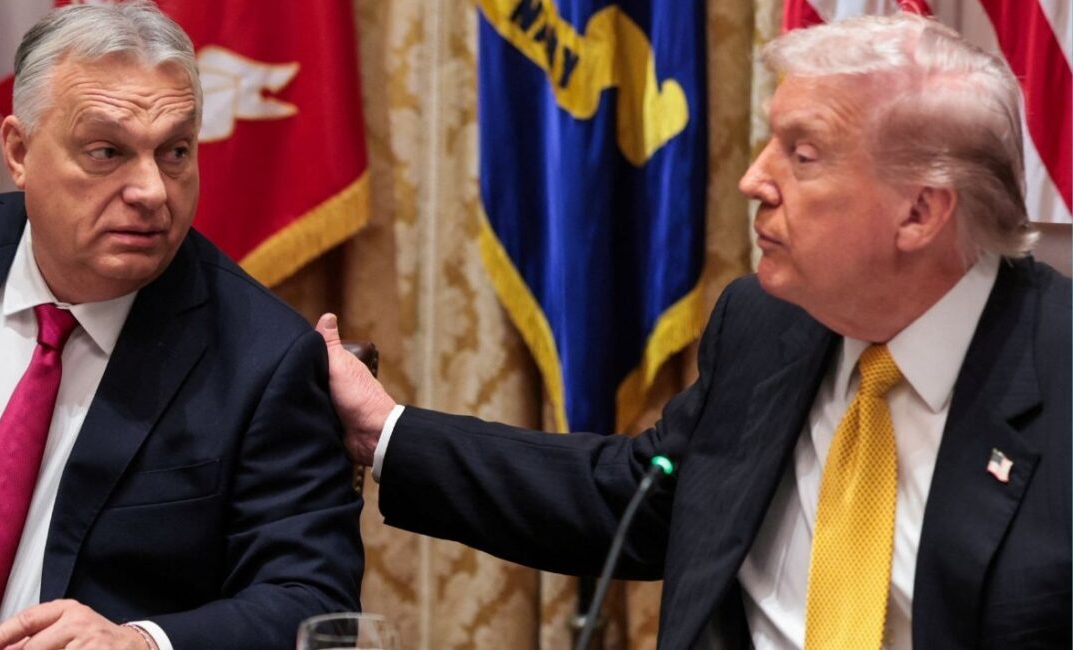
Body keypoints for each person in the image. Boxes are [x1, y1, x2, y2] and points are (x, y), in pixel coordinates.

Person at [317, 13, 1070, 649]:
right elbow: (637, 497)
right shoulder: (768, 322)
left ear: (920, 213)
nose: (754, 179)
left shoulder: (1055, 375)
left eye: (801, 156)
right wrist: (384, 428)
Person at [0, 2, 362, 649]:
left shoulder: (260, 359)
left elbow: (314, 602)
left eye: (174, 151)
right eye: (106, 152)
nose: (151, 190)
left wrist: (144, 642)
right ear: (18, 151)